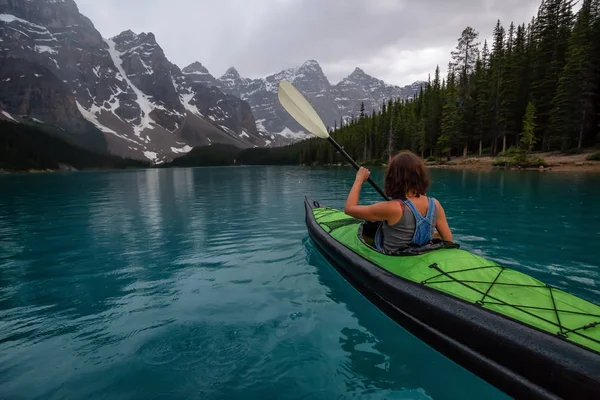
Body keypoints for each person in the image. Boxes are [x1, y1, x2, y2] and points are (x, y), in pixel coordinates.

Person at [343, 150, 453, 253]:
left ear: (393, 178)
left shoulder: (393, 207)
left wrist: (359, 179)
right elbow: (448, 241)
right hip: (423, 256)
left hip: (394, 262)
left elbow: (349, 209)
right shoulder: (435, 204)